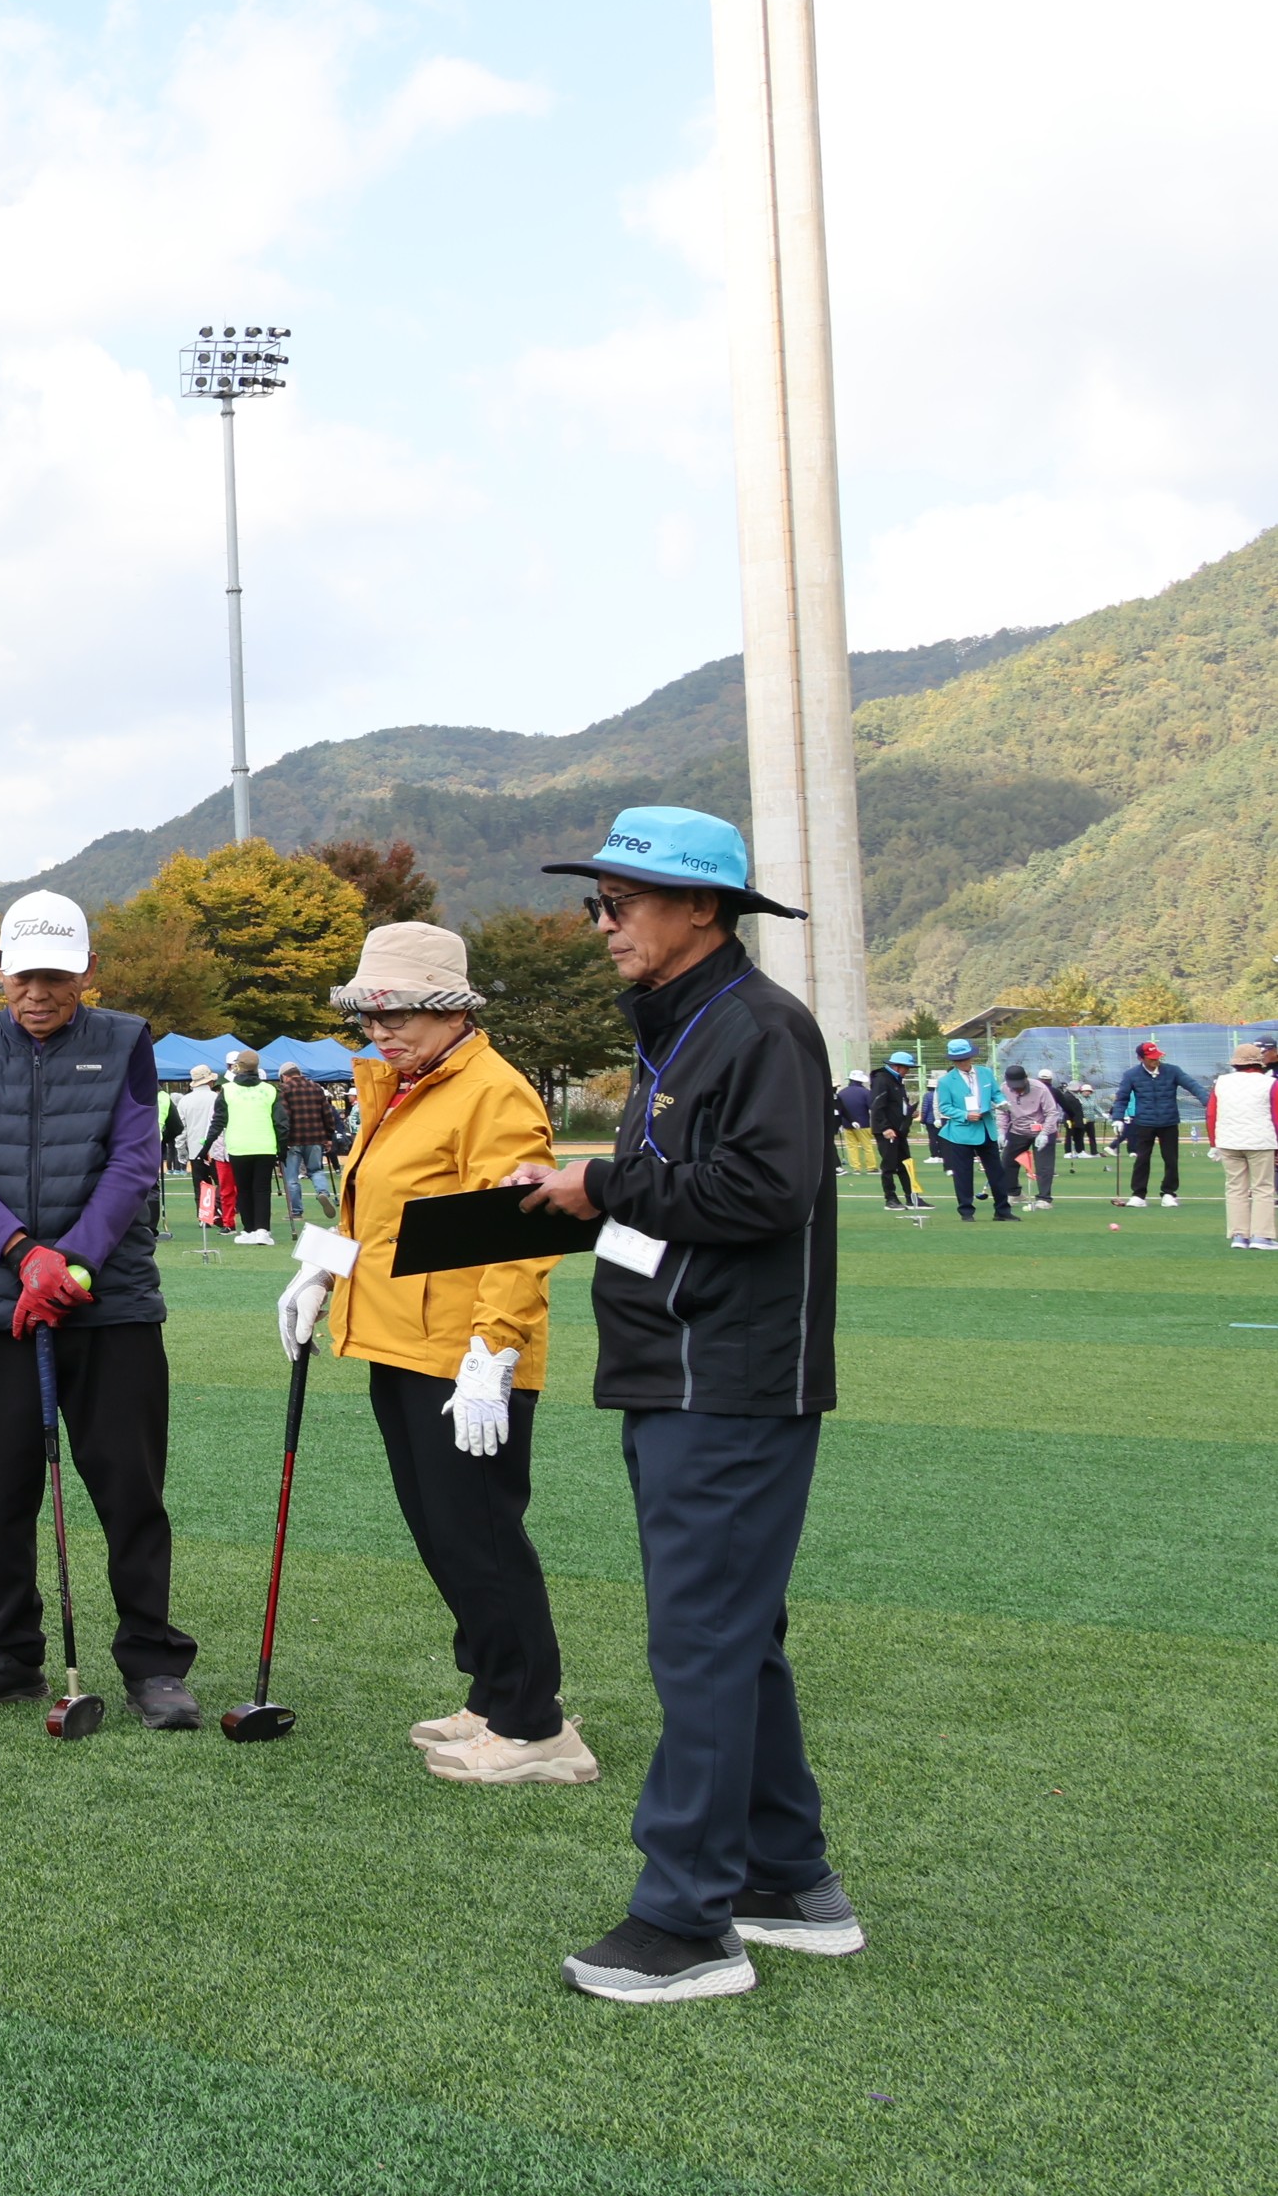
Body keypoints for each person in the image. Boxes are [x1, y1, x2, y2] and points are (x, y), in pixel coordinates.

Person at [513, 807, 857, 2004]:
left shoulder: (758, 1026)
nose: (600, 924)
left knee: (704, 1638)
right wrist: (578, 1193)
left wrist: (598, 1178)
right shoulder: (688, 1028)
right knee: (735, 1632)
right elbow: (682, 1192)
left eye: (620, 902)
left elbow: (765, 1187)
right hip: (685, 1367)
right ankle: (785, 1879)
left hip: (731, 1378)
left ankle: (685, 1922)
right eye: (595, 902)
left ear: (700, 908)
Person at [279, 924, 591, 1785]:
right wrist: (323, 1269)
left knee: (481, 1534)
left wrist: (492, 1350)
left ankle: (538, 1725)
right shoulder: (402, 1085)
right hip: (399, 1340)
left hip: (463, 1358)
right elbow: (376, 1213)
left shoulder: (492, 1092)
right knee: (445, 1533)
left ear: (450, 1010)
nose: (383, 1029)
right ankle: (496, 1692)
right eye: (370, 1014)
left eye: (404, 1012)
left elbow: (519, 1235)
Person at [0, 891, 201, 1728]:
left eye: (55, 974)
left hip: (110, 1305)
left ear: (86, 970)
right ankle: (7, 1653)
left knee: (129, 1488)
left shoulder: (126, 1040)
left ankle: (152, 1660)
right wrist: (24, 1255)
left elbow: (131, 1161)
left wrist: (70, 1261)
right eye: (22, 975)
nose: (37, 992)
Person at [1112, 1040, 1205, 1208]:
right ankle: (1138, 1195)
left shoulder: (1172, 1071)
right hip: (1143, 1123)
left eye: (1157, 1057)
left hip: (1168, 1122)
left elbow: (1193, 1086)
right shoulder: (1131, 1075)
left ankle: (1169, 1193)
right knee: (1142, 1159)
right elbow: (1122, 1097)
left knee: (1171, 1159)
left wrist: (1209, 1103)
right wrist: (1117, 1118)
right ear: (1141, 1058)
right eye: (1152, 1058)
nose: (1156, 1060)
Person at [930, 1038, 1014, 1223]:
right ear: (952, 1061)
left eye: (965, 1058)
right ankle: (966, 1212)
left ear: (971, 1056)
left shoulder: (985, 1073)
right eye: (958, 1060)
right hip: (961, 1133)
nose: (963, 1062)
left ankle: (1002, 1211)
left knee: (997, 1172)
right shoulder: (945, 1081)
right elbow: (945, 1107)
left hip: (986, 1129)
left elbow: (995, 1093)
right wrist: (964, 1114)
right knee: (963, 1174)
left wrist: (1001, 1102)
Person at [1208, 1041, 1277, 1251]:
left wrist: (1214, 1143)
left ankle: (1239, 1235)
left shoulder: (1221, 1082)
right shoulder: (1269, 1083)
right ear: (1259, 1063)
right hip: (1260, 1141)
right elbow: (1276, 1116)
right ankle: (1262, 1236)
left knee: (1235, 1188)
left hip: (1228, 1141)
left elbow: (1211, 1113)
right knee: (1263, 1188)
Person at [218, 1049, 281, 1244]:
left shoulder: (227, 1089)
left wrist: (205, 1148)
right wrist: (283, 1148)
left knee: (244, 1189)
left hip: (239, 1146)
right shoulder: (271, 1090)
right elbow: (281, 1123)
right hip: (265, 1145)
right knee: (261, 1189)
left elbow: (218, 1121)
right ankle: (262, 1230)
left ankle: (249, 1229)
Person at [274, 1062, 339, 1227]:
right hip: (315, 1138)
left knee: (292, 1178)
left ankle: (296, 1212)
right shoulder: (316, 1087)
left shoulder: (284, 1090)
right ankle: (322, 1192)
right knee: (316, 1170)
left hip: (292, 1140)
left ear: (284, 1076)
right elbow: (327, 1113)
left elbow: (283, 1118)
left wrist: (281, 1139)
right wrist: (329, 1136)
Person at [1001, 1063, 1061, 1210]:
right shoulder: (1003, 1089)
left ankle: (1044, 1199)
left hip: (1042, 1130)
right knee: (1007, 1162)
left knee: (1044, 1166)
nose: (1017, 1088)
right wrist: (1001, 1132)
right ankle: (1014, 1193)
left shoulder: (1040, 1088)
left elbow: (1051, 1112)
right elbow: (1002, 1112)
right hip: (1017, 1130)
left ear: (1026, 1079)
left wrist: (1045, 1133)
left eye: (1019, 1084)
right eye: (1013, 1085)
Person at [170, 1064, 223, 1220]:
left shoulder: (185, 1101)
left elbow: (181, 1129)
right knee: (222, 1183)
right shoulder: (217, 1098)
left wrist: (181, 1152)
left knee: (200, 1185)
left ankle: (205, 1217)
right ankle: (223, 1212)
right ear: (209, 1082)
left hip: (195, 1149)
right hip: (217, 1149)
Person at [870, 1050, 920, 1209]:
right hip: (888, 1131)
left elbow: (896, 1105)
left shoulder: (896, 1081)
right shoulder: (882, 1080)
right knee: (889, 1166)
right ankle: (890, 1199)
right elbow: (877, 1106)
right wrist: (885, 1127)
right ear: (897, 1067)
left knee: (906, 1164)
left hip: (899, 1130)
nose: (908, 1071)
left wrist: (909, 1114)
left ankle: (912, 1198)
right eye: (907, 1067)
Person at [833, 1070, 875, 1177]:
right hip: (863, 1123)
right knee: (867, 1146)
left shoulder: (842, 1092)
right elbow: (872, 1107)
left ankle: (856, 1168)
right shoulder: (865, 1092)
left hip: (846, 1123)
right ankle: (871, 1167)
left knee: (851, 1146)